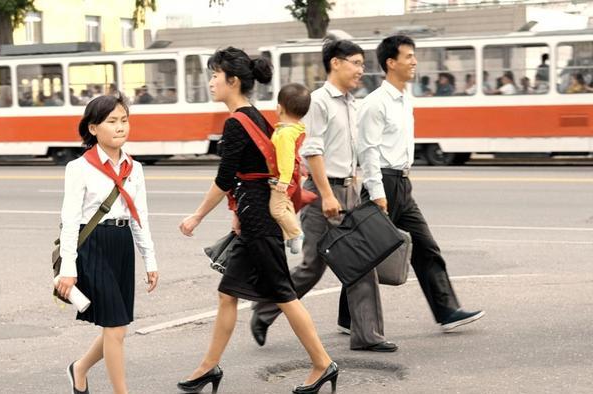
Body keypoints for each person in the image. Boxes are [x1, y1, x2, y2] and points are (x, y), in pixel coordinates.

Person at [178, 46, 338, 394]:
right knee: (228, 294)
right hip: (253, 217)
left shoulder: (237, 122)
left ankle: (323, 363)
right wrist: (237, 212)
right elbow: (252, 173)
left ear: (232, 80)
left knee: (283, 292)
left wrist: (196, 217)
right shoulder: (256, 116)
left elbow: (225, 180)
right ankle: (208, 368)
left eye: (215, 76)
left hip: (258, 221)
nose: (211, 82)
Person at [251, 39, 398, 353]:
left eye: (361, 64)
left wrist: (369, 189)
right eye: (356, 63)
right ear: (336, 63)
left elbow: (359, 151)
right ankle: (265, 308)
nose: (361, 70)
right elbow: (313, 150)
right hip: (323, 193)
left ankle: (367, 335)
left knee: (363, 261)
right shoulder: (318, 101)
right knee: (312, 267)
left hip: (350, 191)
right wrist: (328, 195)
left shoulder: (351, 103)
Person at [353, 34, 485, 338]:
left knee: (425, 248)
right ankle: (349, 319)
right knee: (365, 258)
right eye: (409, 56)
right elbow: (368, 151)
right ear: (391, 63)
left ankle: (447, 311)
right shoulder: (375, 103)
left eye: (414, 56)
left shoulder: (404, 100)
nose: (414, 62)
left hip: (401, 183)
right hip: (382, 184)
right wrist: (377, 194)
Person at [55, 94, 159, 394]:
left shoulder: (134, 169)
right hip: (94, 247)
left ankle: (79, 368)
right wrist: (68, 268)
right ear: (92, 128)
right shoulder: (79, 168)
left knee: (118, 325)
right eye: (112, 121)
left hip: (122, 244)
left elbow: (140, 217)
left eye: (124, 120)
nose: (120, 127)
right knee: (114, 327)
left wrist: (150, 260)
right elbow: (70, 221)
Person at [269, 83, 311, 254]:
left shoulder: (286, 133)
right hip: (287, 177)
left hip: (281, 179)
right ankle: (291, 236)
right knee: (286, 206)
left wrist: (284, 181)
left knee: (277, 209)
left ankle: (295, 234)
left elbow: (286, 157)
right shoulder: (292, 129)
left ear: (280, 108)